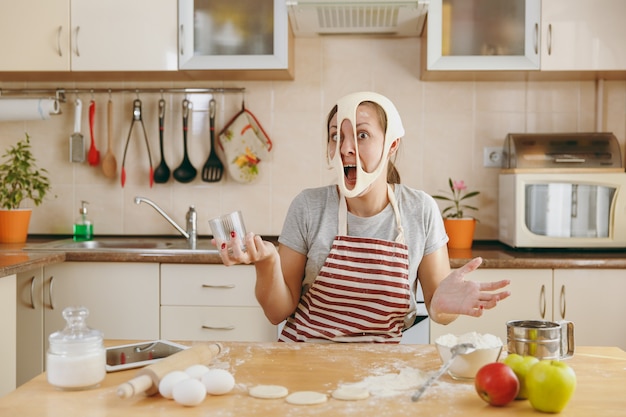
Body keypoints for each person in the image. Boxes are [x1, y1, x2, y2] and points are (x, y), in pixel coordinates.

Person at [215, 91, 511, 343]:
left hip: (381, 373)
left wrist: (445, 308)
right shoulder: (308, 206)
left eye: (361, 134)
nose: (345, 148)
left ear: (391, 144)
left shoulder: (420, 210)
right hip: (302, 362)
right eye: (336, 136)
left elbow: (439, 308)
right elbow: (277, 312)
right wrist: (267, 263)